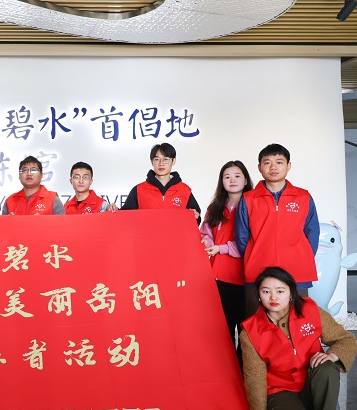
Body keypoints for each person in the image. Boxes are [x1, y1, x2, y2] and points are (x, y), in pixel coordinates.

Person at [239, 266, 356, 410]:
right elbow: (254, 382)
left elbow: (345, 339)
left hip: (313, 382)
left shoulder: (310, 311)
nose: (273, 297)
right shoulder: (250, 332)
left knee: (327, 367)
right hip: (280, 390)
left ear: (291, 292)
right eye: (266, 291)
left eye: (280, 291)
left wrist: (332, 354)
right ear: (258, 295)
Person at [235, 144, 319, 310]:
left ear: (288, 166)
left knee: (297, 317)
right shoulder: (248, 199)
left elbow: (312, 234)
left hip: (297, 271)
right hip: (258, 272)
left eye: (279, 162)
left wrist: (301, 257)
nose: (273, 167)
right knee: (257, 319)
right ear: (259, 167)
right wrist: (255, 256)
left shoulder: (303, 197)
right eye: (267, 162)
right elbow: (242, 237)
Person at [200, 161, 254, 344]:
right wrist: (208, 243)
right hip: (218, 276)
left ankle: (244, 363)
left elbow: (252, 241)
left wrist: (221, 248)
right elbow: (205, 233)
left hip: (245, 277)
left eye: (237, 176)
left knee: (246, 328)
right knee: (223, 328)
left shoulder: (254, 206)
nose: (232, 180)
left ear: (245, 180)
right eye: (227, 177)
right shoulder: (214, 208)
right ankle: (227, 363)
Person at [120, 143, 201, 223]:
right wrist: (115, 210)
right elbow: (125, 217)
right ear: (152, 162)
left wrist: (195, 216)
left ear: (173, 161)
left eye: (165, 159)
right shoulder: (138, 190)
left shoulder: (184, 190)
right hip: (147, 232)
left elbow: (195, 220)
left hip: (175, 232)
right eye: (157, 159)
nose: (161, 163)